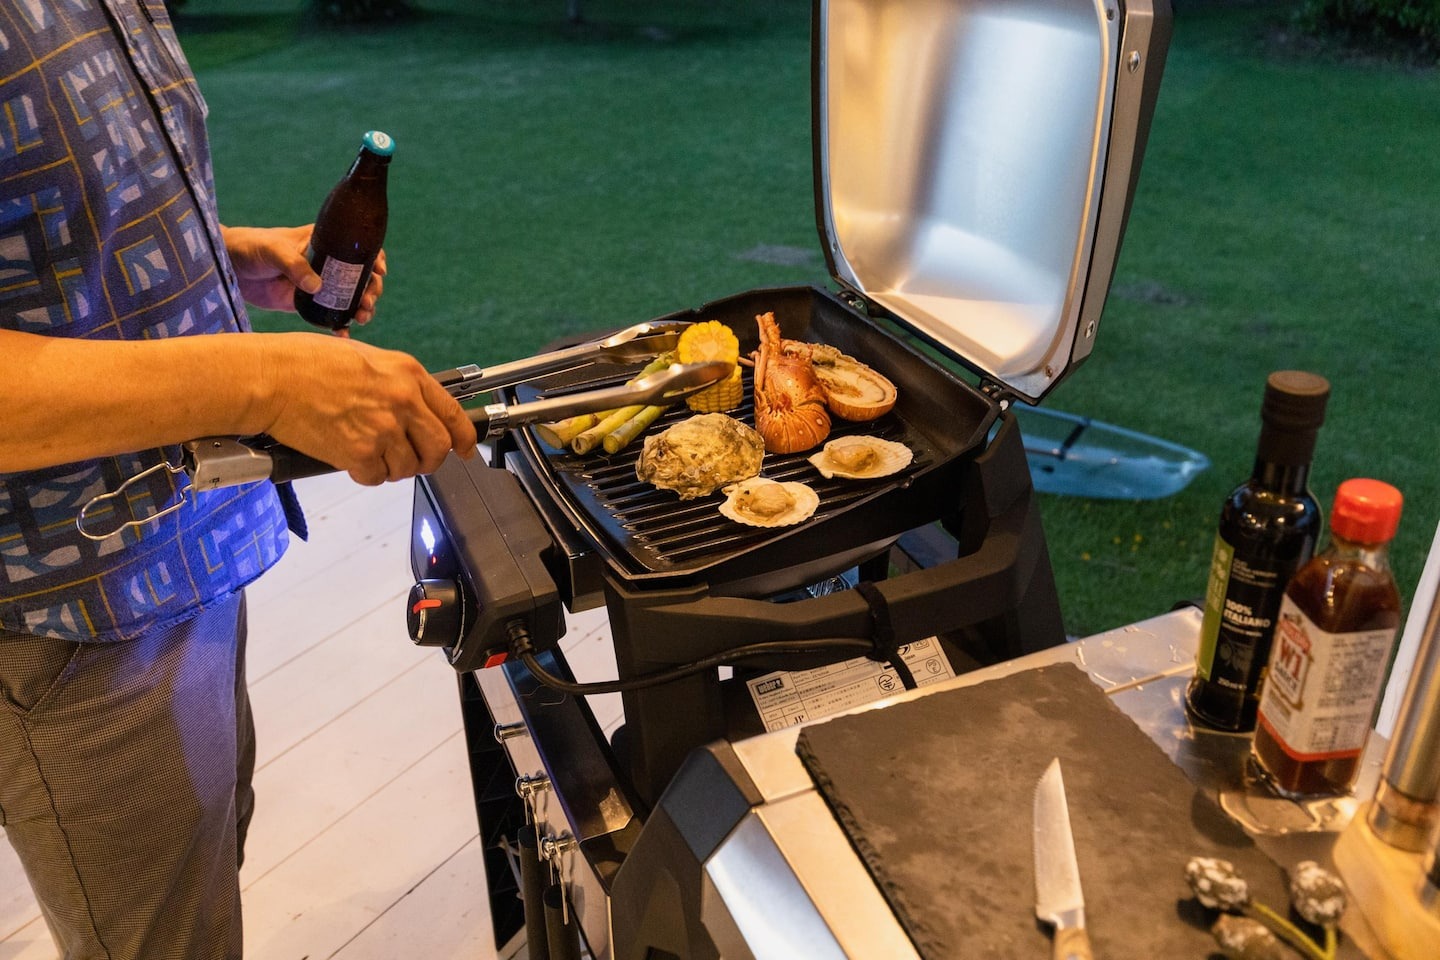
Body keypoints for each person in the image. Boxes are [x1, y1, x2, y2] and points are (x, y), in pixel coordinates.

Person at [0, 1, 477, 957]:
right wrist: (267, 377)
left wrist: (226, 256)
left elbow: (55, 208)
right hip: (73, 606)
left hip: (185, 544)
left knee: (206, 876)